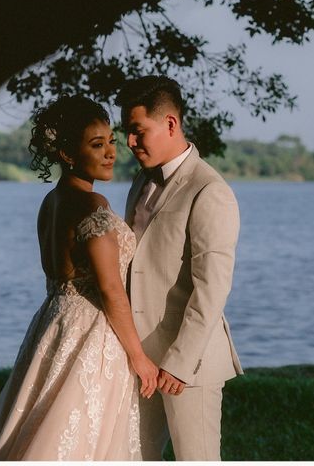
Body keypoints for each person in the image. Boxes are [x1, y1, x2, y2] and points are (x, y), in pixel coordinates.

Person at [0, 95, 159, 461]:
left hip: (52, 323)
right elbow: (110, 289)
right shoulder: (91, 205)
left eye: (111, 143)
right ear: (68, 155)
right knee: (82, 434)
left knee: (39, 423)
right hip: (91, 331)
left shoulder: (51, 202)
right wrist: (139, 357)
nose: (110, 153)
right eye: (96, 145)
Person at [116, 75, 243, 460]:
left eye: (138, 131)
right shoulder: (141, 180)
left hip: (189, 363)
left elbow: (212, 288)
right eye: (127, 132)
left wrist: (180, 364)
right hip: (139, 360)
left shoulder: (209, 191)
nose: (129, 143)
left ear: (170, 124)